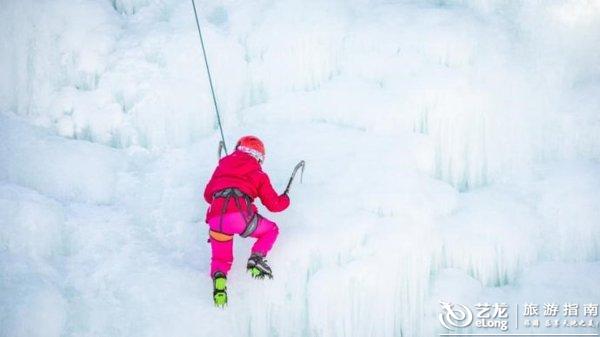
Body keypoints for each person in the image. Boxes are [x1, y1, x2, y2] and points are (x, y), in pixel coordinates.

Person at [203, 135, 290, 306]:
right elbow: (274, 205)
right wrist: (285, 199)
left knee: (221, 258)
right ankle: (256, 259)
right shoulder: (258, 173)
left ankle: (220, 283)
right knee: (271, 230)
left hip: (215, 218)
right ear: (259, 157)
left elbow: (207, 195)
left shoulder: (222, 166)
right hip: (240, 216)